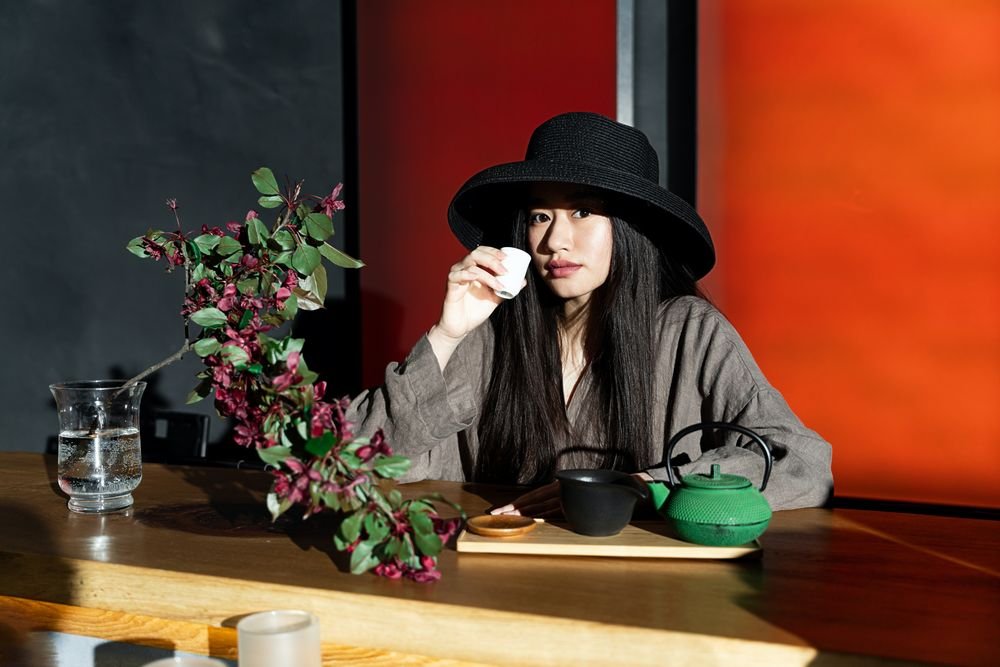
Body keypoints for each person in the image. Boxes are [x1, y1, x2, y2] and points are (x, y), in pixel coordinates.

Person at [349, 111, 832, 516]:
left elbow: (802, 465)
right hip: (500, 585)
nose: (554, 240)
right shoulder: (487, 336)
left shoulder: (688, 331)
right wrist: (447, 335)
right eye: (541, 216)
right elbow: (361, 461)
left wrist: (643, 486)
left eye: (582, 212)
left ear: (629, 229)